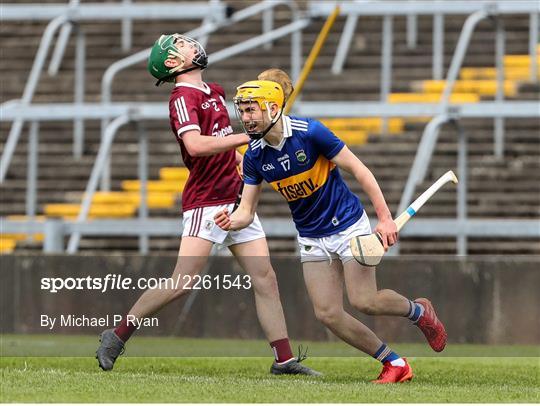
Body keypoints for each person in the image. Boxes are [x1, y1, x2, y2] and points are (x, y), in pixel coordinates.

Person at [96, 35, 319, 376]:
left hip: (236, 199)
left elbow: (224, 145)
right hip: (206, 201)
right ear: (173, 63)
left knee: (266, 278)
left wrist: (248, 158)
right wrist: (250, 136)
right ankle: (118, 334)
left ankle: (284, 360)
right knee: (183, 281)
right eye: (182, 44)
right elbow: (197, 146)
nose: (191, 44)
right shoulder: (182, 98)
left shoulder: (213, 91)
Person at [214, 68, 447, 384]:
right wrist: (231, 220)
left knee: (365, 301)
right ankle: (395, 363)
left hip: (348, 224)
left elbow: (360, 171)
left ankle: (419, 313)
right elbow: (246, 211)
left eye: (250, 109)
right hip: (311, 235)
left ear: (271, 107)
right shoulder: (255, 155)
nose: (245, 117)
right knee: (327, 314)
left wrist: (385, 218)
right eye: (241, 110)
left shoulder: (310, 132)